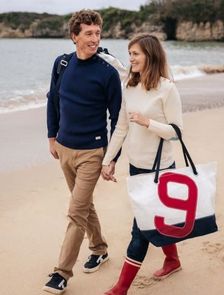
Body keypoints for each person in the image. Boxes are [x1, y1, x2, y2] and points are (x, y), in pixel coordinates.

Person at [43, 9, 122, 294]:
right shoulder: (62, 64)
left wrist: (111, 158)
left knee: (76, 211)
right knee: (84, 204)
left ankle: (62, 273)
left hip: (92, 152)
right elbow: (53, 101)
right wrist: (52, 137)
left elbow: (118, 118)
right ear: (74, 36)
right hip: (63, 148)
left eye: (98, 33)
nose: (95, 38)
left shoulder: (108, 72)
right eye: (88, 33)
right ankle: (99, 248)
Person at [101, 34, 183, 295]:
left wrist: (149, 123)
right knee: (158, 220)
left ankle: (121, 288)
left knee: (141, 230)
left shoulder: (167, 88)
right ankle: (173, 260)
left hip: (160, 169)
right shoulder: (130, 87)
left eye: (135, 53)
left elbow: (177, 132)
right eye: (130, 53)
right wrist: (109, 160)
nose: (131, 58)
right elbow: (121, 127)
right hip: (136, 167)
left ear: (150, 55)